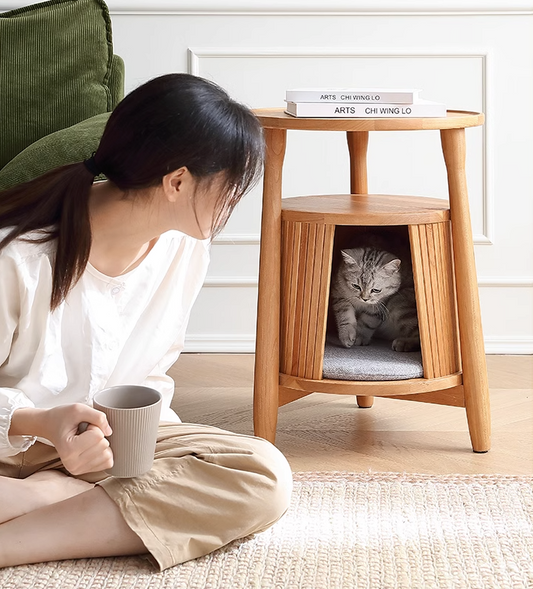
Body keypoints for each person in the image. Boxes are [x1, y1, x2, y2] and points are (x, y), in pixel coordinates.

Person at [0, 73, 292, 570]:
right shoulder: (18, 257)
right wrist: (43, 422)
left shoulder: (185, 249)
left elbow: (153, 371)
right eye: (229, 187)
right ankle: (52, 499)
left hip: (112, 448)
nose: (231, 205)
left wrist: (138, 452)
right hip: (16, 443)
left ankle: (33, 507)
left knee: (263, 474)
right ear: (177, 181)